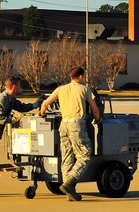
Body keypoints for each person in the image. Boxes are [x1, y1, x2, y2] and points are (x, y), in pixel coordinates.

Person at [38, 66, 101, 201]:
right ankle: (69, 182)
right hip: (76, 125)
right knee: (84, 155)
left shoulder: (61, 89)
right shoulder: (85, 89)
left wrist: (41, 113)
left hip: (64, 125)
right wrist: (98, 119)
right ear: (80, 77)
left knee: (67, 156)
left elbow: (45, 104)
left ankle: (69, 191)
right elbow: (94, 108)